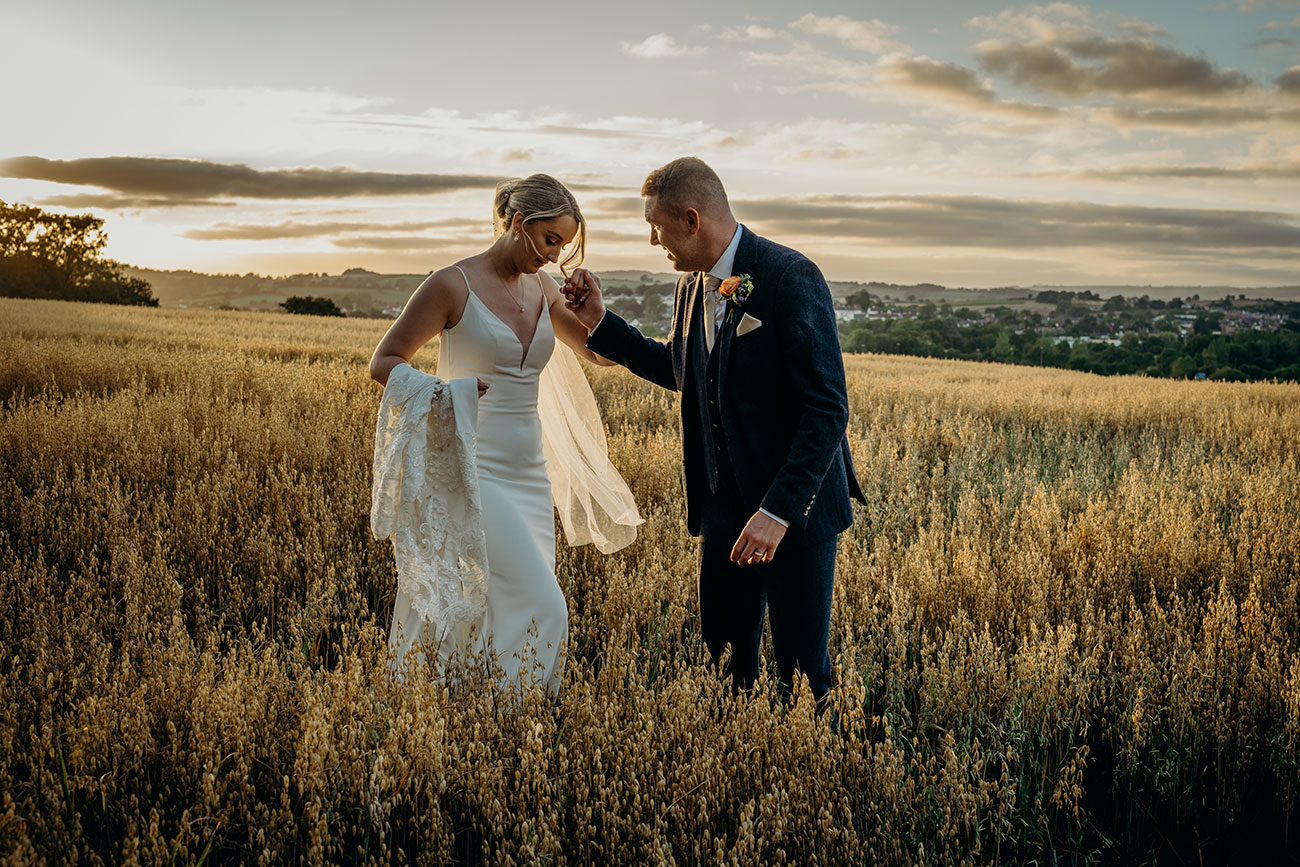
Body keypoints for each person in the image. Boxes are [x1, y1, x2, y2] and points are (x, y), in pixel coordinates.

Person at [563, 157, 865, 705]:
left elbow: (826, 408)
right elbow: (682, 369)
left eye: (657, 226)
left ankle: (815, 772)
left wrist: (777, 513)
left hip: (795, 512)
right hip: (723, 508)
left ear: (692, 219)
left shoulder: (790, 276)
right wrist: (599, 322)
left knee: (803, 672)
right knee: (724, 660)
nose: (654, 241)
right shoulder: (691, 287)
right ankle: (739, 767)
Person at [369, 174, 640, 691]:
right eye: (550, 240)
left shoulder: (543, 287)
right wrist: (449, 392)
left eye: (563, 244)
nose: (555, 256)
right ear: (518, 223)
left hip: (529, 476)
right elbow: (383, 361)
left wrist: (595, 313)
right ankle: (505, 713)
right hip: (473, 466)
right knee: (545, 603)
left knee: (502, 602)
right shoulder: (452, 284)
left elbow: (599, 356)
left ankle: (476, 717)